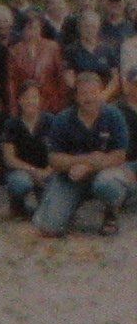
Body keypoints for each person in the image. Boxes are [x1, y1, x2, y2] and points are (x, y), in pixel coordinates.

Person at [37, 68, 134, 238]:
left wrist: (88, 167)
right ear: (76, 96)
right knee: (49, 228)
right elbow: (54, 159)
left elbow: (119, 156)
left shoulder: (114, 115)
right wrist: (85, 160)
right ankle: (69, 207)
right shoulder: (62, 119)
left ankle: (111, 213)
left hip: (104, 174)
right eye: (83, 93)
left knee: (108, 184)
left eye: (93, 93)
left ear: (101, 92)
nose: (88, 98)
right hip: (70, 177)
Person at [0, 80, 53, 219]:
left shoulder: (51, 121)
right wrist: (32, 171)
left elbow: (59, 153)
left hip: (46, 172)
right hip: (22, 172)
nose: (30, 101)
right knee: (20, 183)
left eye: (34, 97)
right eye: (26, 97)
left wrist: (46, 172)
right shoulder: (11, 124)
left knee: (49, 211)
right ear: (19, 100)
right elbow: (9, 159)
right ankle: (17, 206)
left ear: (40, 100)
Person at [4, 9, 70, 118]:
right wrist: (14, 110)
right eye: (29, 28)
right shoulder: (14, 51)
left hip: (51, 106)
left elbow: (60, 78)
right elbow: (12, 84)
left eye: (36, 28)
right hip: (26, 107)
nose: (33, 32)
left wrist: (61, 106)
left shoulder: (52, 47)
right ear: (22, 29)